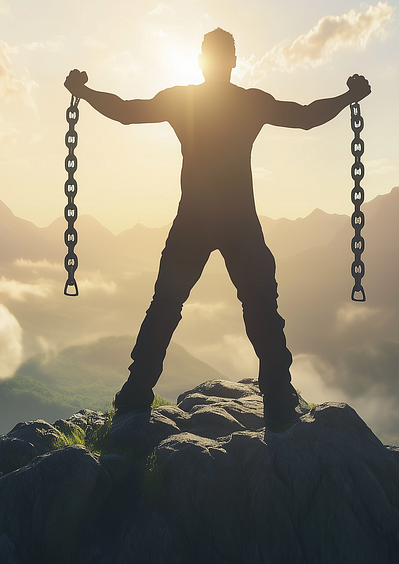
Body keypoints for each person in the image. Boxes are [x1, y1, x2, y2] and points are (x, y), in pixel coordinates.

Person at [64, 28, 371, 431]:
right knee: (261, 307)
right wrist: (348, 97)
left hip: (192, 219)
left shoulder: (183, 100)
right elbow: (306, 116)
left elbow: (125, 110)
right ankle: (278, 401)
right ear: (232, 61)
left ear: (203, 62)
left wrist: (84, 92)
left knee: (165, 305)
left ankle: (136, 393)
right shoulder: (250, 103)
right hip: (240, 220)